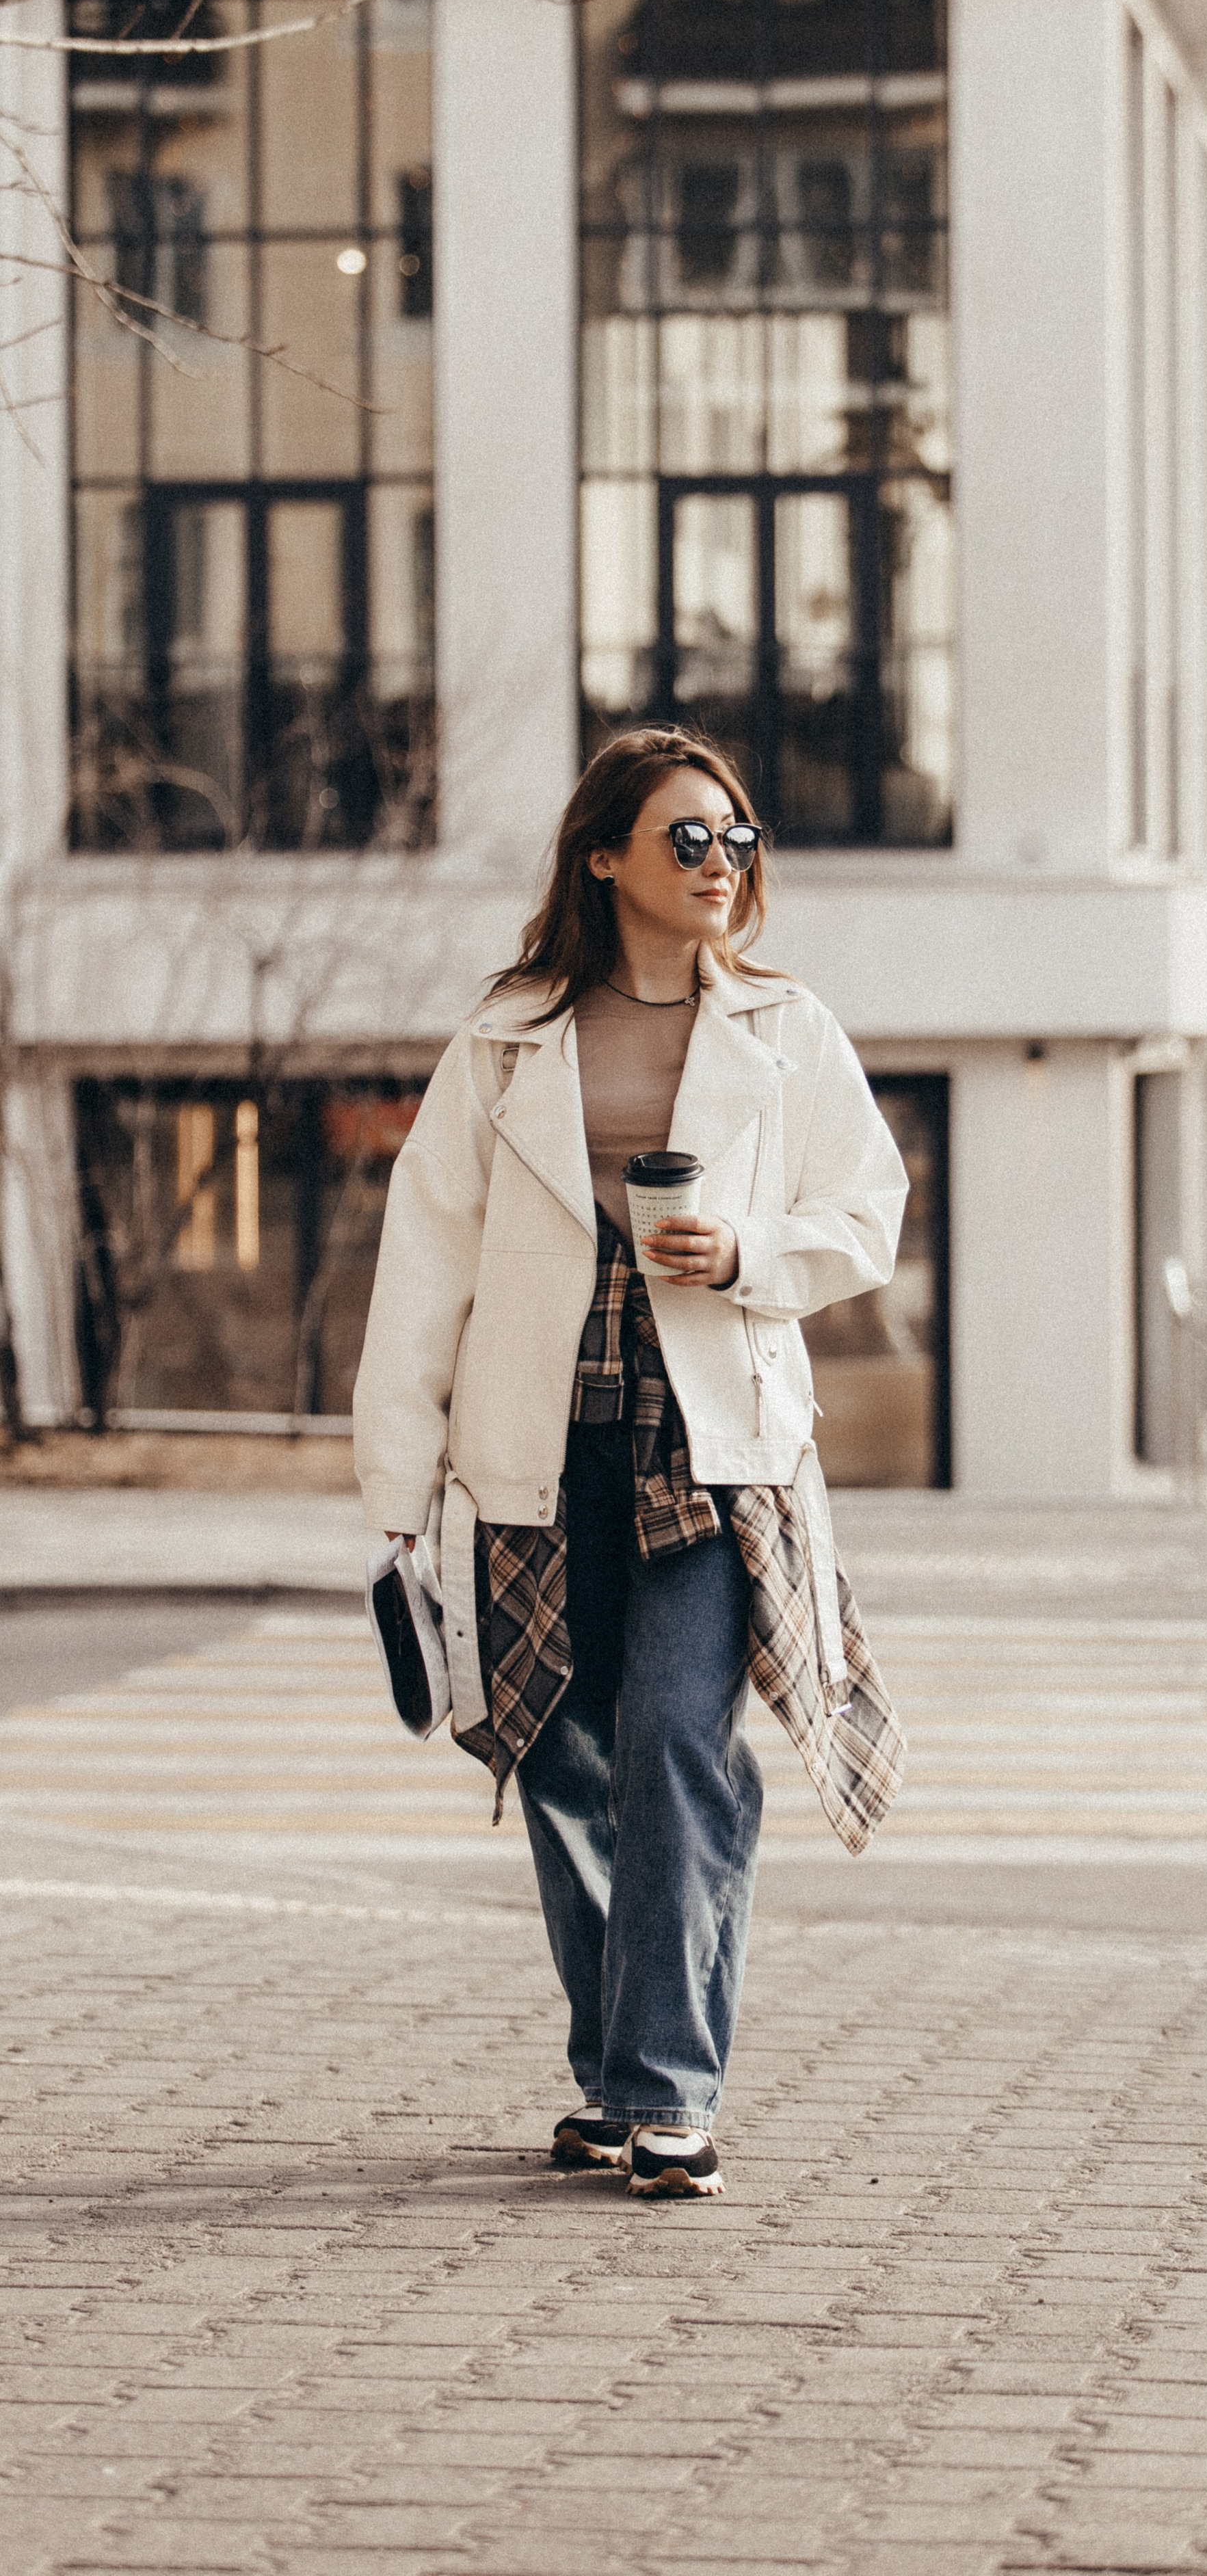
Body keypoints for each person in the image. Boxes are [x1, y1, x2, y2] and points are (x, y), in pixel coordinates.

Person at [353, 727, 910, 2199]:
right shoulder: (507, 1035)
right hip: (537, 1454)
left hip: (714, 1454)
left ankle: (667, 2090)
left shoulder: (786, 1029)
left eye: (735, 840)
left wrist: (749, 1251)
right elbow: (429, 1257)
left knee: (674, 1746)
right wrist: (397, 1486)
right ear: (604, 856)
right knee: (556, 1754)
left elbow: (866, 1212)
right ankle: (614, 2075)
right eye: (686, 840)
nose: (719, 865)